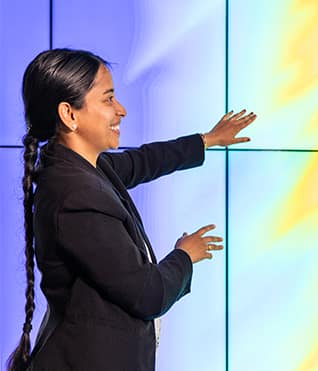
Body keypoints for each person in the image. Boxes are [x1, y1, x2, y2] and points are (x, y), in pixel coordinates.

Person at [6, 49, 256, 371]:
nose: (121, 110)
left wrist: (206, 140)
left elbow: (144, 162)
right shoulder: (76, 197)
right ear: (70, 115)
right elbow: (149, 294)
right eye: (108, 99)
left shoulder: (85, 169)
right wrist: (184, 254)